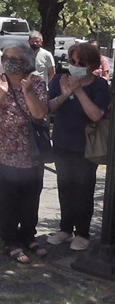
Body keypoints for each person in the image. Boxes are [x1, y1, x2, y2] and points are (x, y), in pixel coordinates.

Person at [0, 43, 49, 263]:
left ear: (26, 63)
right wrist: (1, 93)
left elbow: (39, 113)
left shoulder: (36, 83)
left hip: (30, 154)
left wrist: (26, 92)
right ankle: (10, 241)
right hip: (0, 153)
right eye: (6, 57)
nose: (9, 61)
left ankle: (28, 237)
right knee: (5, 199)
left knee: (30, 199)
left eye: (15, 58)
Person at [47, 42, 110, 251]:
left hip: (87, 147)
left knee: (83, 189)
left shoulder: (99, 86)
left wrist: (79, 92)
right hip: (62, 141)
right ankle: (65, 228)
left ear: (91, 65)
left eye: (80, 62)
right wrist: (65, 94)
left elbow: (95, 115)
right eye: (72, 61)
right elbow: (49, 107)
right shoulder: (60, 79)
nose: (75, 65)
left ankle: (82, 233)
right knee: (65, 186)